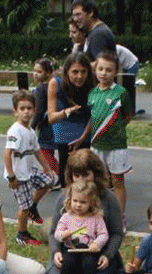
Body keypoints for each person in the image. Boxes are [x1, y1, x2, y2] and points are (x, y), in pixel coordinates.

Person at [46, 149, 125, 274]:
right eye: (77, 175)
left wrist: (107, 255)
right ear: (71, 176)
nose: (81, 179)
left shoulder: (109, 198)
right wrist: (56, 251)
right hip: (69, 252)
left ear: (95, 173)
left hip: (96, 253)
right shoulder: (65, 196)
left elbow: (116, 233)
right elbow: (53, 232)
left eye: (86, 174)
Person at [4, 89, 54, 245]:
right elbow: (7, 154)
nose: (26, 112)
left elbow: (37, 151)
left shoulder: (30, 131)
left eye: (29, 108)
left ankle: (33, 206)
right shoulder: (15, 131)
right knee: (23, 207)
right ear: (15, 111)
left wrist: (48, 168)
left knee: (49, 181)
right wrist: (11, 176)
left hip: (29, 171)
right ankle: (22, 234)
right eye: (22, 109)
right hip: (19, 176)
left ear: (34, 110)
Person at [88, 51, 132, 212]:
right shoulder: (92, 93)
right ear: (95, 70)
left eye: (109, 70)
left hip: (116, 146)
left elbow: (127, 116)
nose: (104, 73)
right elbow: (92, 118)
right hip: (97, 145)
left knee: (118, 181)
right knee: (100, 182)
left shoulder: (121, 93)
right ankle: (102, 213)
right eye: (101, 69)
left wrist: (115, 131)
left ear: (115, 72)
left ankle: (120, 217)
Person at [54, 180, 109, 274]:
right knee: (67, 263)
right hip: (70, 248)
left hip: (88, 250)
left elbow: (103, 234)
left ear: (91, 202)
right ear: (70, 200)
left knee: (90, 264)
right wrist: (63, 235)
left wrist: (97, 244)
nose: (78, 205)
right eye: (75, 201)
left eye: (83, 202)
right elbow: (57, 233)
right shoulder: (66, 217)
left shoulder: (96, 218)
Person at [47, 52, 94, 189]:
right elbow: (51, 118)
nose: (79, 76)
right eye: (75, 72)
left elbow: (95, 115)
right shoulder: (56, 84)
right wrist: (66, 112)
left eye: (83, 72)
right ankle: (66, 205)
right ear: (67, 71)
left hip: (85, 132)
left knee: (84, 175)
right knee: (67, 176)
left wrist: (84, 136)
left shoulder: (93, 86)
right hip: (64, 132)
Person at [31, 58, 60, 183]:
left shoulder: (41, 89)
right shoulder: (55, 84)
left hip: (46, 125)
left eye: (39, 71)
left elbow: (39, 110)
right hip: (56, 123)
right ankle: (47, 175)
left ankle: (61, 176)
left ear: (47, 73)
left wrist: (32, 126)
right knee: (50, 151)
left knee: (45, 152)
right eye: (34, 71)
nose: (35, 74)